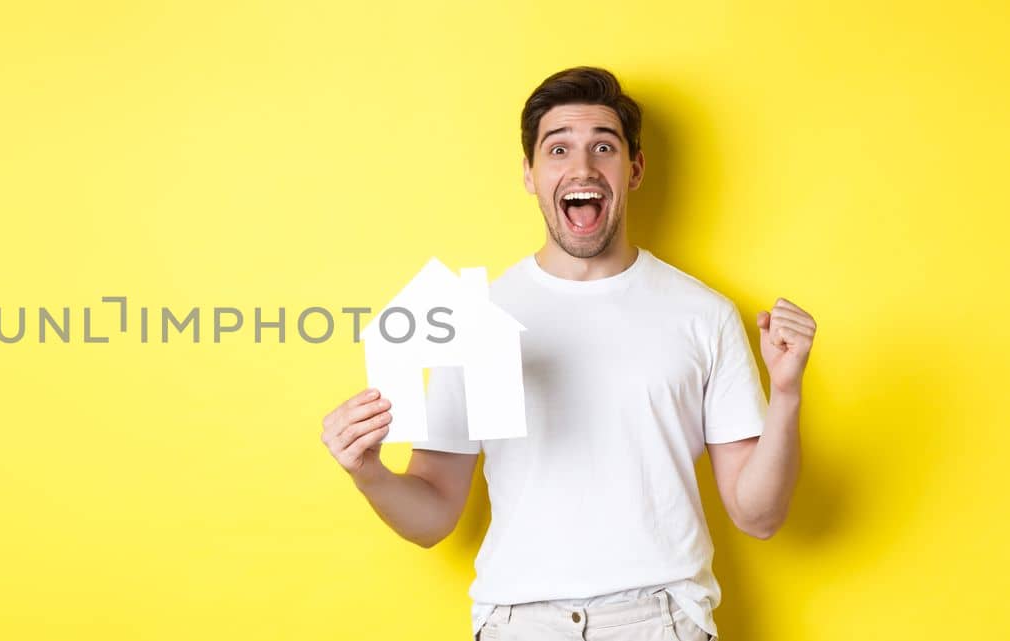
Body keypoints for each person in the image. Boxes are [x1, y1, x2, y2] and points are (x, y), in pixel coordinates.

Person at [319, 67, 816, 641]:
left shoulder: (703, 314)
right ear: (530, 174)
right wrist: (369, 472)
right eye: (558, 150)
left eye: (603, 146)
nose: (582, 168)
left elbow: (759, 516)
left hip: (661, 621)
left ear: (633, 169)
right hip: (519, 623)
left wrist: (786, 393)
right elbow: (432, 517)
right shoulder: (478, 316)